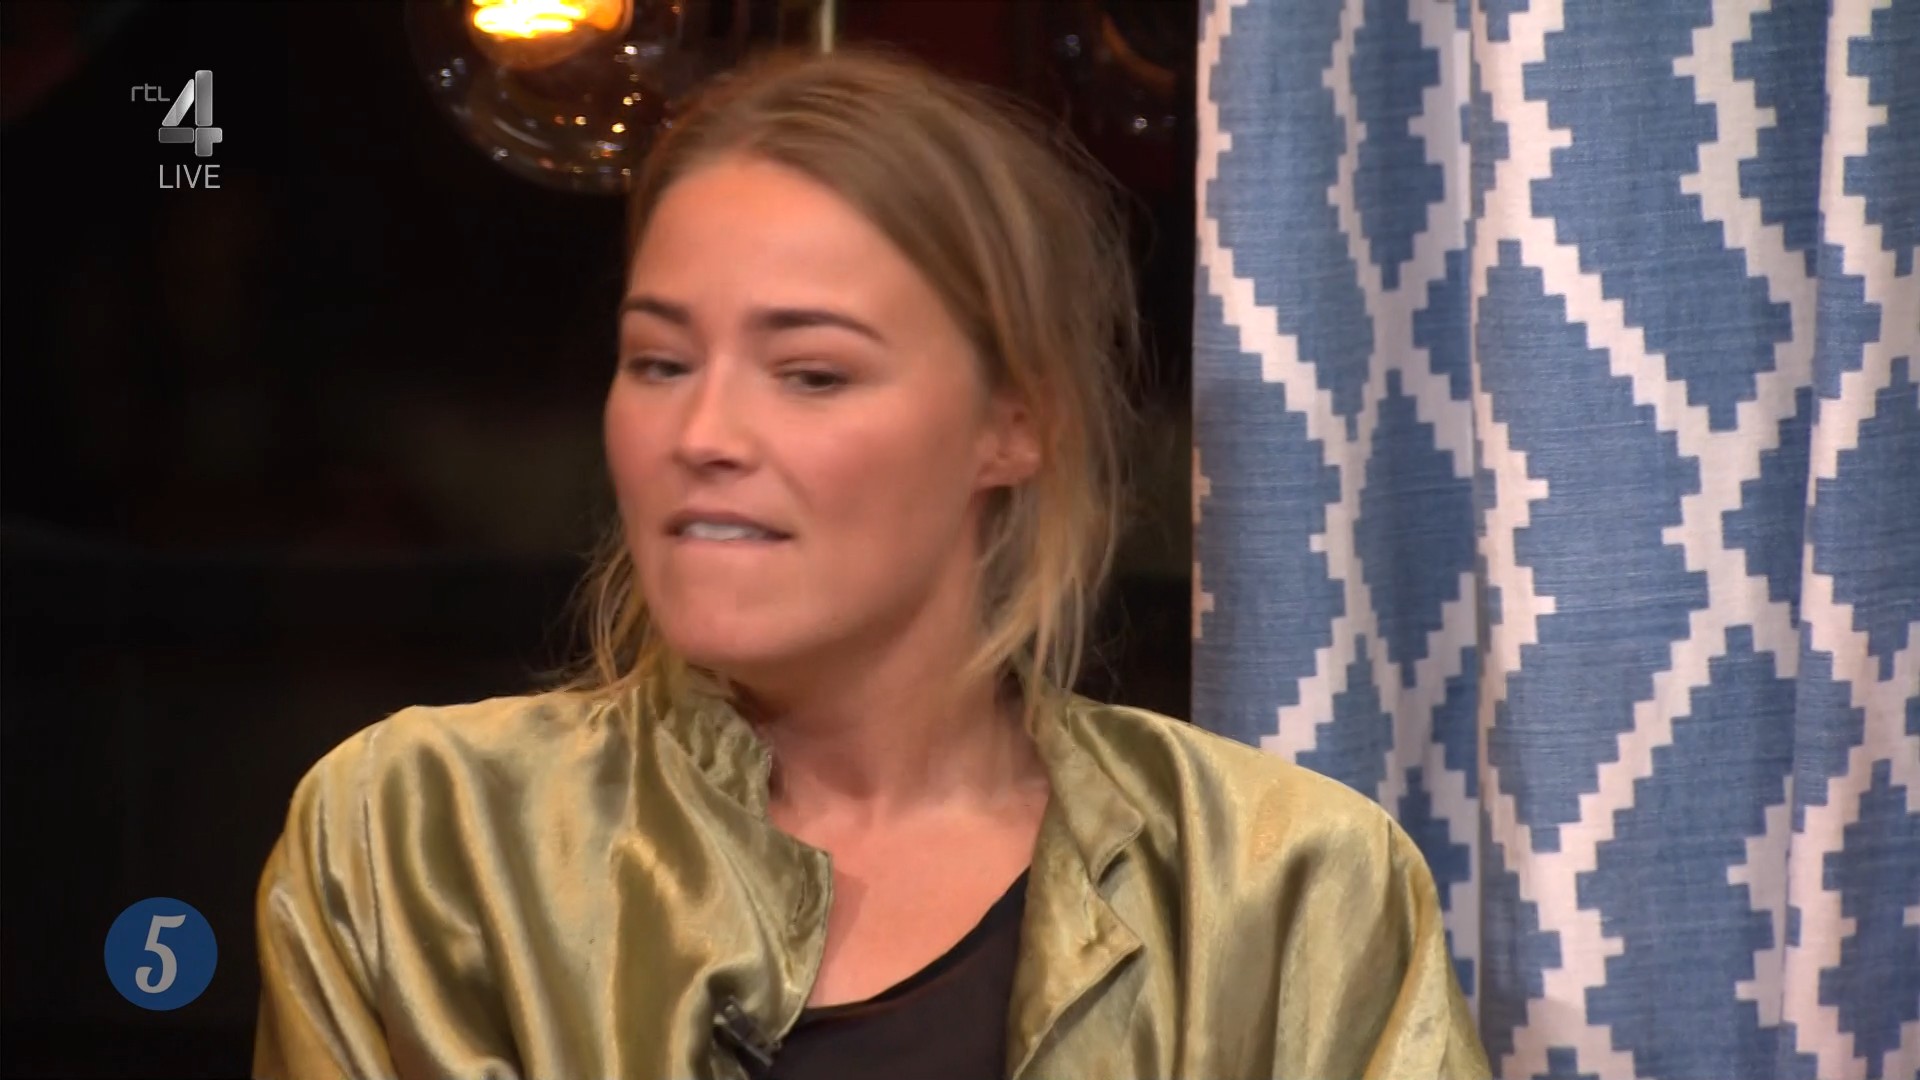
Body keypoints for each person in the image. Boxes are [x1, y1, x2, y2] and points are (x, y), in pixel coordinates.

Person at [252, 46, 1489, 1080]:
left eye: (811, 374)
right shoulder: (421, 840)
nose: (702, 435)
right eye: (661, 363)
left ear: (1015, 423)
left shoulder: (1286, 886)